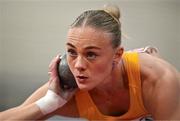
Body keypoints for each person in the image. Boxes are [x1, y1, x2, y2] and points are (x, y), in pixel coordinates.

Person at [0, 4, 180, 121]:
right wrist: (49, 103)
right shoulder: (69, 85)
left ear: (117, 55)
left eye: (91, 54)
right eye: (71, 52)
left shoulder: (158, 80)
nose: (78, 65)